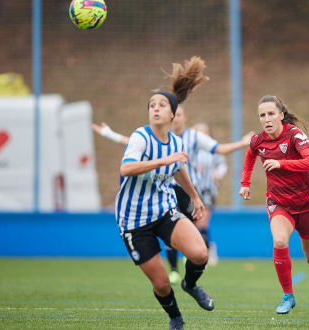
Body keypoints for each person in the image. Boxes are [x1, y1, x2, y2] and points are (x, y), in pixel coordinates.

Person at [94, 106, 253, 285]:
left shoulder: (194, 137)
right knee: (169, 228)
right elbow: (132, 143)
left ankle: (189, 258)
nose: (176, 119)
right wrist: (110, 134)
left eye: (179, 115)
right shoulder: (157, 136)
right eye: (173, 115)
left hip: (189, 190)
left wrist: (242, 143)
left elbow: (219, 149)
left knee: (192, 227)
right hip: (167, 190)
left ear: (185, 117)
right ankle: (174, 270)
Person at [115, 56, 213, 330]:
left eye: (161, 105)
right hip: (134, 221)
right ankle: (176, 319)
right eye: (151, 105)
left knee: (200, 254)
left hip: (164, 210)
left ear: (173, 114)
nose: (155, 109)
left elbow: (179, 170)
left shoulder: (177, 141)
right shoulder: (140, 137)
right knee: (159, 283)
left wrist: (194, 196)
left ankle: (190, 284)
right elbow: (126, 169)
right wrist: (162, 161)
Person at [239, 95, 309, 316]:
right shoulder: (258, 141)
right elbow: (249, 158)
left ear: (281, 115)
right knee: (280, 241)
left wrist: (282, 163)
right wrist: (245, 184)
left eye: (271, 113)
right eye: (262, 115)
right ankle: (288, 295)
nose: (267, 119)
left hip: (305, 204)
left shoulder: (294, 135)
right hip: (279, 202)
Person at [191, 122, 228, 266]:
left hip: (208, 189)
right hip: (193, 189)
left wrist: (218, 174)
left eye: (204, 132)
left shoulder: (213, 149)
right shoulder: (190, 148)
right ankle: (199, 250)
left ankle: (207, 251)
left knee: (203, 221)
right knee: (193, 223)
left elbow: (222, 164)